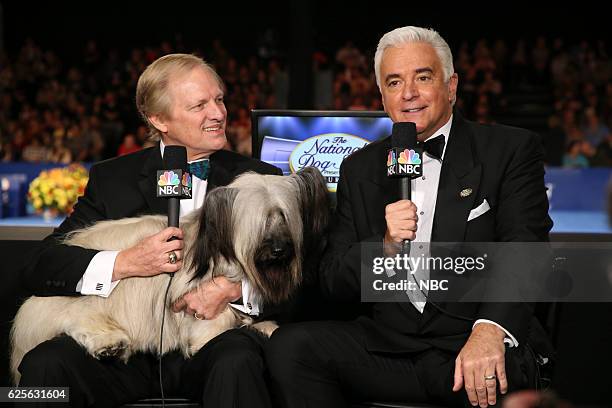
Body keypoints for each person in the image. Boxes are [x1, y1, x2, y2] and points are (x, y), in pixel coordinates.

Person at [266, 26, 553, 407]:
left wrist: (489, 332)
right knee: (291, 347)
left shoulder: (509, 150)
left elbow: (526, 250)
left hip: (470, 339)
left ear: (451, 86)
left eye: (423, 77)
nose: (409, 93)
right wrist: (382, 247)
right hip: (389, 347)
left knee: (491, 373)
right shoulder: (360, 168)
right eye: (395, 81)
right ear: (383, 97)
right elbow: (333, 278)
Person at [19, 53, 281, 408]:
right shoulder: (112, 179)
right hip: (122, 348)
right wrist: (125, 262)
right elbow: (42, 265)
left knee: (239, 359)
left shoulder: (260, 178)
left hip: (210, 345)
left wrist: (235, 289)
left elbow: (300, 277)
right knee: (44, 366)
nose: (218, 113)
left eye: (219, 99)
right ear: (158, 119)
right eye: (199, 105)